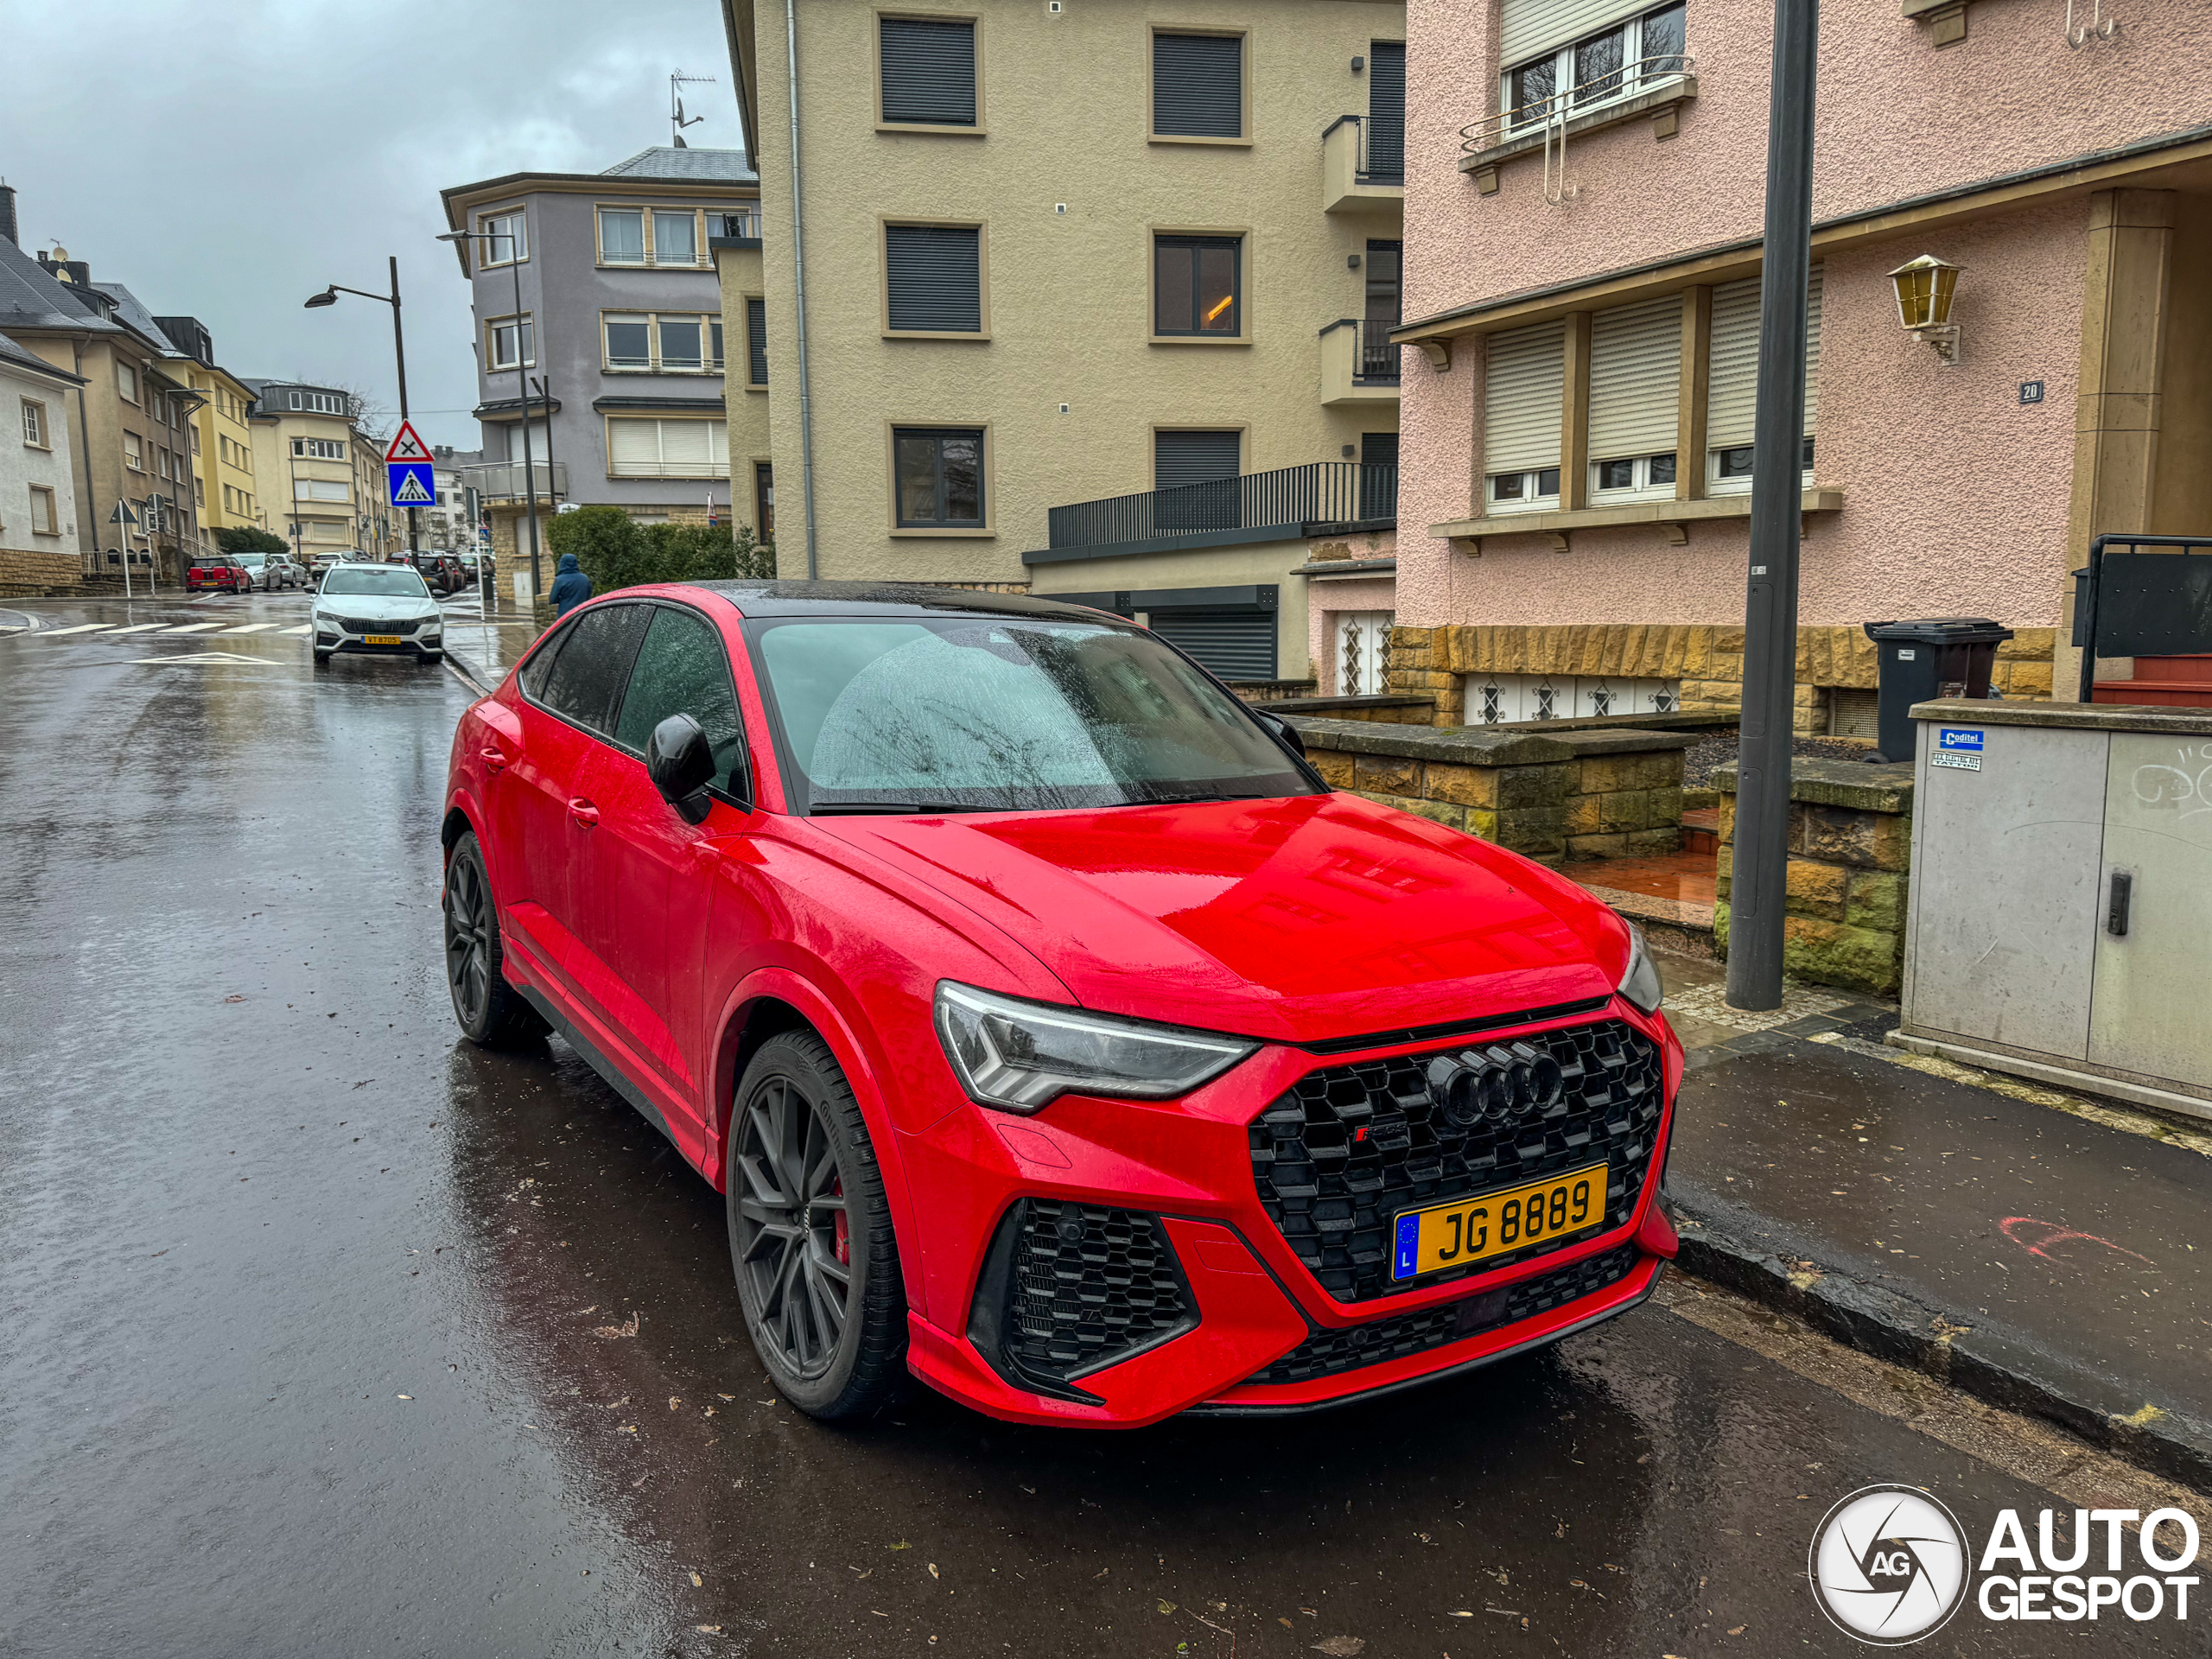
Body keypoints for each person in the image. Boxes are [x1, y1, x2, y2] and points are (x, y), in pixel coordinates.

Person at [550, 551, 593, 618]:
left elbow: (552, 600)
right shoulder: (585, 578)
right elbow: (588, 595)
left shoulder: (560, 580)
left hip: (565, 614)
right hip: (582, 612)